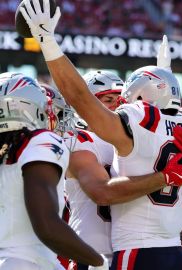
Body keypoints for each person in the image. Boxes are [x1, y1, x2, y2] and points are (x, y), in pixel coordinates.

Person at [20, 2, 182, 269]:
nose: (118, 105)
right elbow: (101, 192)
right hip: (93, 257)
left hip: (133, 251)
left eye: (121, 99)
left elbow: (164, 128)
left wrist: (163, 81)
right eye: (107, 99)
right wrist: (163, 177)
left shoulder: (133, 135)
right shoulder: (79, 141)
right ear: (91, 104)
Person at [0, 72, 109, 270]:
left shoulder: (7, 151)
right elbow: (47, 226)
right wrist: (99, 262)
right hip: (29, 262)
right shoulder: (41, 141)